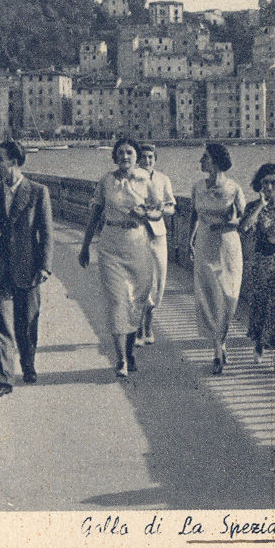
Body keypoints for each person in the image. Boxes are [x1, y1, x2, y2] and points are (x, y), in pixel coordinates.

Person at [79, 139, 163, 377]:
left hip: (138, 245)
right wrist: (85, 246)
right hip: (111, 245)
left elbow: (158, 210)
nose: (125, 156)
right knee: (117, 301)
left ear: (136, 157)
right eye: (121, 152)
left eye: (130, 152)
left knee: (136, 300)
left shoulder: (146, 180)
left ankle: (129, 351)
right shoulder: (106, 181)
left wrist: (146, 214)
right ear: (115, 156)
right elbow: (95, 214)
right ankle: (120, 359)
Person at [0, 140, 53, 399]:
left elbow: (46, 232)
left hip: (27, 266)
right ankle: (4, 380)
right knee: (0, 325)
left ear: (14, 161)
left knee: (27, 324)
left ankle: (28, 364)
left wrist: (45, 266)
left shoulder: (37, 192)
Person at [189, 143, 246, 375]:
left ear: (216, 161)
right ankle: (218, 349)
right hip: (204, 244)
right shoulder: (197, 187)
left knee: (228, 297)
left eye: (205, 157)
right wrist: (189, 239)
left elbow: (245, 221)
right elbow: (193, 214)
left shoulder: (234, 188)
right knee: (209, 297)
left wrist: (227, 223)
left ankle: (221, 339)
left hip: (227, 246)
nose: (201, 161)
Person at [240, 163, 275, 375]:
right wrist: (260, 206)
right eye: (265, 183)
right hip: (261, 264)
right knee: (261, 307)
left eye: (274, 182)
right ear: (259, 184)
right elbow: (244, 227)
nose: (269, 187)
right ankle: (258, 345)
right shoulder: (252, 207)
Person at [135, 143, 176, 347]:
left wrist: (160, 211)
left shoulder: (163, 179)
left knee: (158, 281)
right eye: (143, 157)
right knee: (139, 281)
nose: (147, 160)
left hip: (158, 235)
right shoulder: (131, 179)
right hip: (137, 234)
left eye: (150, 157)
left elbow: (172, 207)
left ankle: (149, 322)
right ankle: (139, 328)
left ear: (155, 159)